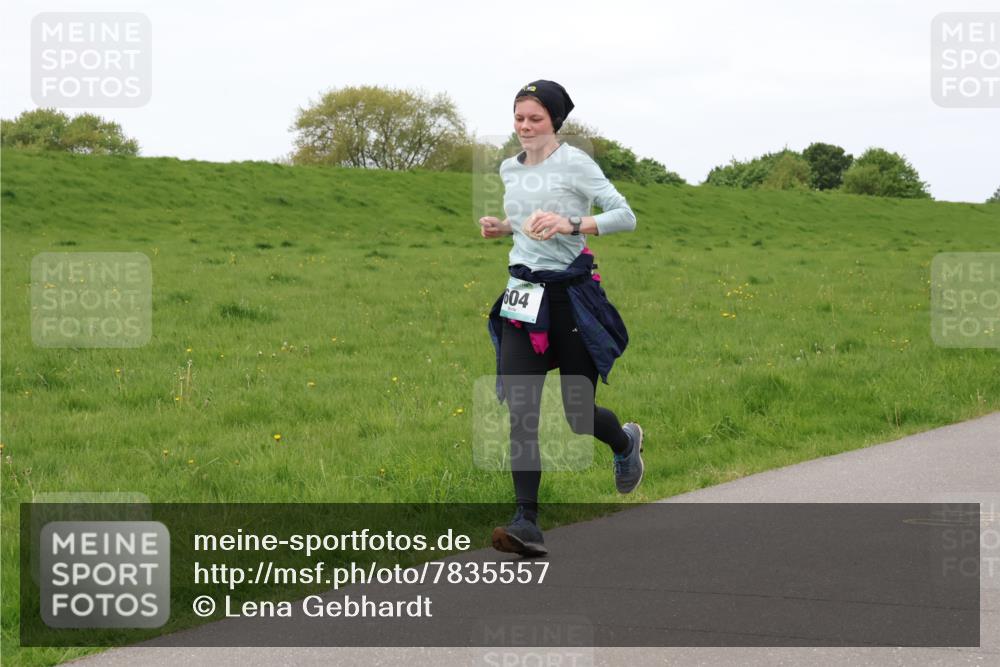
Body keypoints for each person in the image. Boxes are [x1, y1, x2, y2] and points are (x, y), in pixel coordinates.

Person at [479, 79, 644, 557]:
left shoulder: (576, 163)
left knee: (576, 415)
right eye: (518, 117)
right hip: (523, 296)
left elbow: (624, 215)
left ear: (555, 121)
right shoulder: (510, 167)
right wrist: (504, 226)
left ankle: (625, 441)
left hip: (571, 298)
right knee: (521, 411)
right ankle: (525, 521)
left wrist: (572, 224)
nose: (524, 127)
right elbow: (531, 215)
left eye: (535, 118)